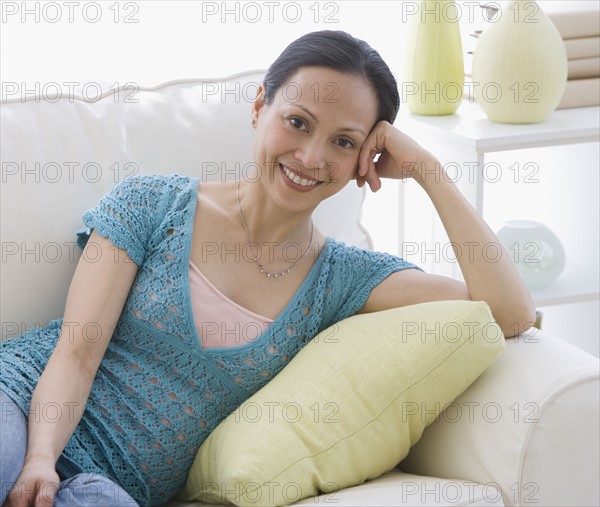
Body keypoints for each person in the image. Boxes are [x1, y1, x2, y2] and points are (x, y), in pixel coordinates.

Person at [0, 30, 535, 507]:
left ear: (363, 160)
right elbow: (77, 350)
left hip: (107, 487)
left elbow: (510, 314)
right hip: (22, 409)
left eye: (343, 142)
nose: (310, 156)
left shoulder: (340, 281)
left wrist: (427, 168)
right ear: (260, 106)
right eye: (297, 123)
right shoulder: (152, 204)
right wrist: (38, 463)